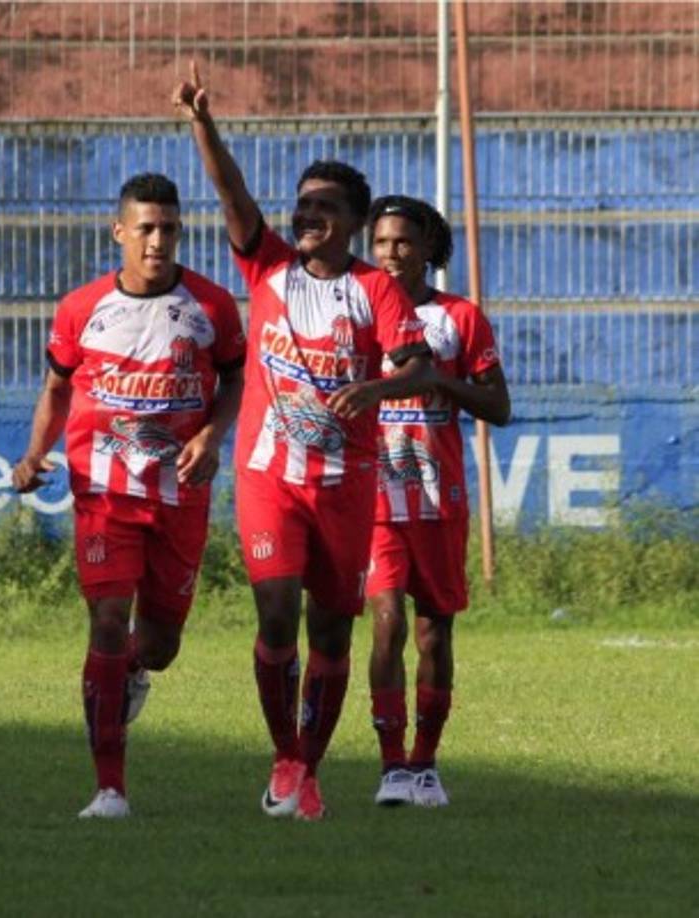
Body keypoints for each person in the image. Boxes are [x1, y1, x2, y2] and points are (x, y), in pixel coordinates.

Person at [172, 64, 432, 821]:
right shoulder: (269, 264)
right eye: (303, 203)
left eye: (324, 206)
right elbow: (230, 194)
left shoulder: (374, 290)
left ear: (352, 221)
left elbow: (417, 368)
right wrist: (202, 121)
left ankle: (309, 769)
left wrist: (376, 389)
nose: (306, 213)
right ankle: (285, 757)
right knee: (276, 614)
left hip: (346, 485)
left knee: (329, 632)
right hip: (269, 476)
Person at [12, 173, 245, 819]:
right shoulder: (81, 309)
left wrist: (213, 434)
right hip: (104, 492)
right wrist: (35, 453)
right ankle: (109, 788)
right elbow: (57, 389)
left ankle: (131, 673)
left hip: (179, 495)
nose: (158, 240)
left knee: (160, 645)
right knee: (108, 621)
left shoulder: (212, 307)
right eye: (145, 228)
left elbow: (234, 381)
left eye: (169, 228)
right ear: (120, 233)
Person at [366, 195, 511, 807]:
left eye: (402, 243)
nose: (390, 255)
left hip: (437, 496)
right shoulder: (357, 310)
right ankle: (392, 765)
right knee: (386, 623)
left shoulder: (460, 318)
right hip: (374, 495)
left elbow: (497, 407)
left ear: (429, 248)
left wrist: (438, 382)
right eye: (380, 243)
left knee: (432, 634)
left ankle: (426, 765)